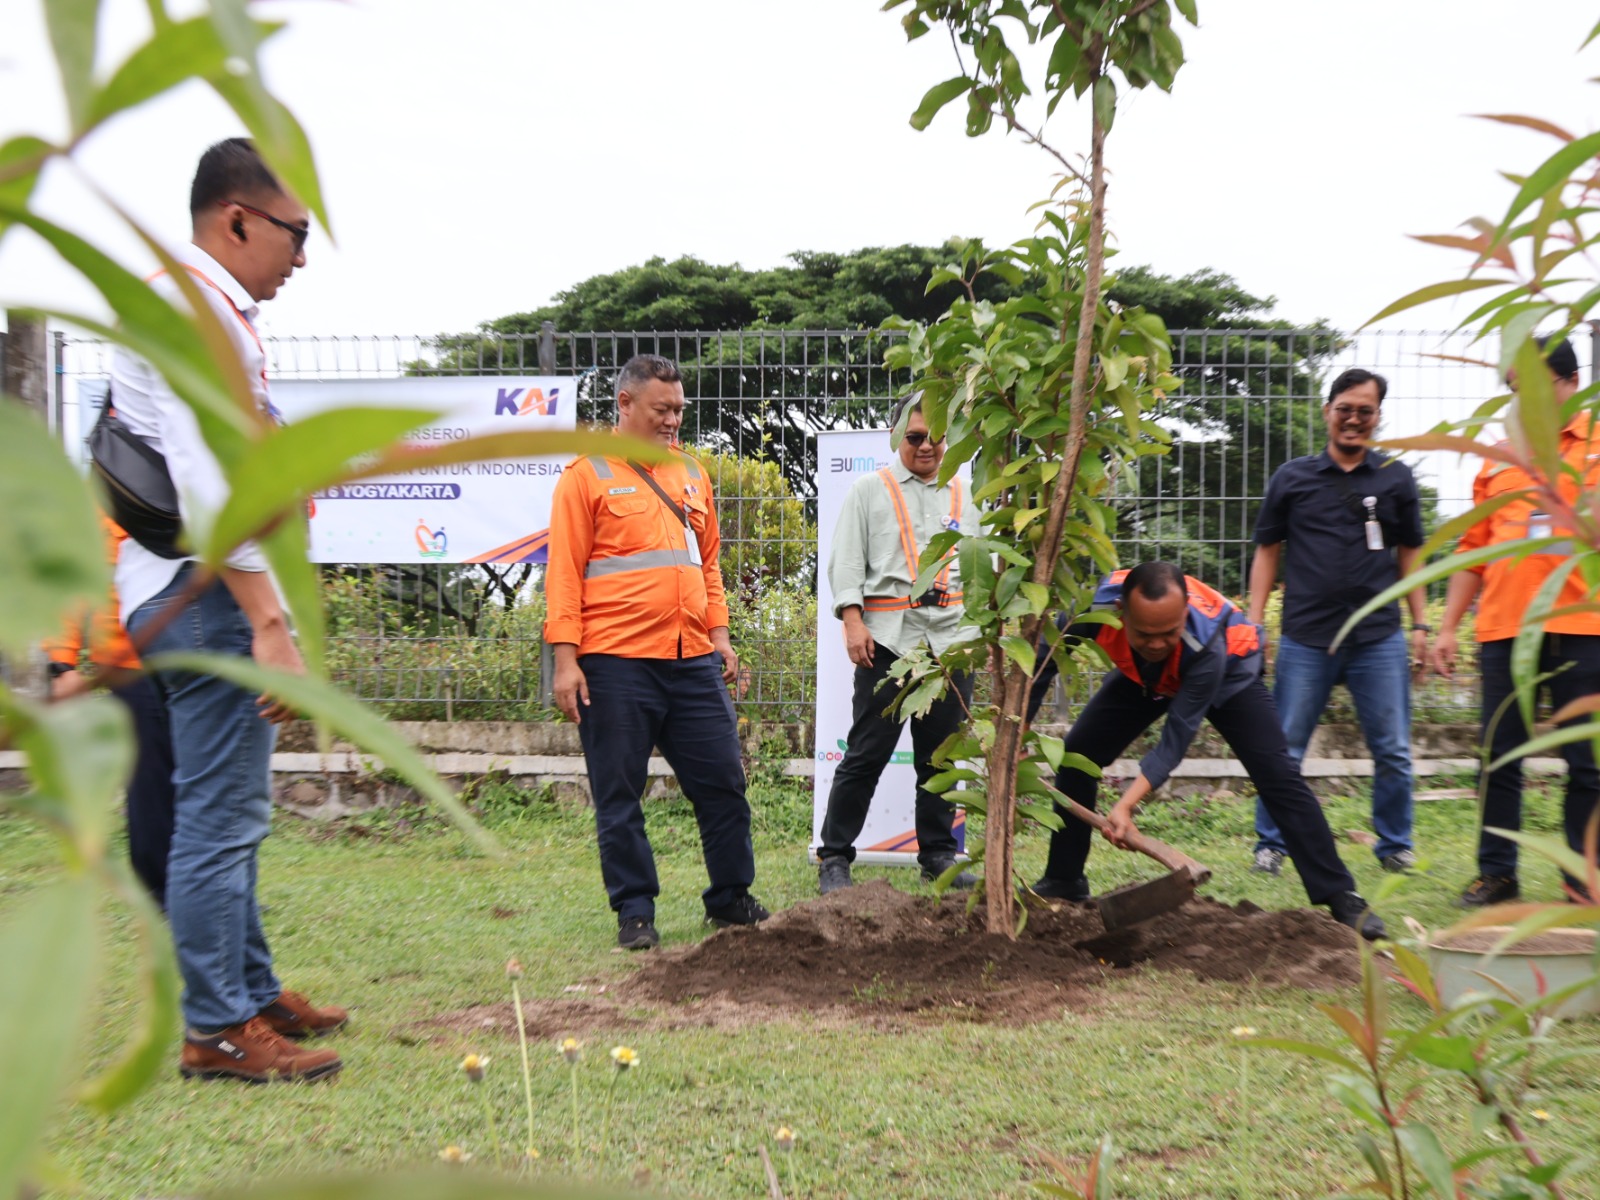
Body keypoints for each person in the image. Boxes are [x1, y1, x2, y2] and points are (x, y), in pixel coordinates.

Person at [115, 139, 346, 1084]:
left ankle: (248, 994)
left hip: (188, 595)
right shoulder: (195, 313)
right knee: (217, 817)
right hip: (205, 599)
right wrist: (271, 620)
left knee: (230, 810)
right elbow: (214, 486)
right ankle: (215, 1030)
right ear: (236, 219)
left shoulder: (203, 308)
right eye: (296, 234)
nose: (301, 257)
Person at [1029, 562, 1387, 940]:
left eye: (1168, 632)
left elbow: (1176, 737)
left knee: (1278, 776)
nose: (1155, 643)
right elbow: (1042, 657)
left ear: (1184, 614)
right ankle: (1064, 879)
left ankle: (1341, 895)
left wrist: (1126, 805)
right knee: (1076, 756)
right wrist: (1018, 727)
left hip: (1230, 674)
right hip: (1146, 678)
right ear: (1121, 612)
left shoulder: (1206, 644)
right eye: (1144, 633)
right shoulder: (1091, 609)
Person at [545, 353, 769, 950]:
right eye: (661, 409)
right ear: (624, 404)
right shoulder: (585, 476)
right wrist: (566, 661)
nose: (673, 421)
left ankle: (730, 898)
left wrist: (720, 637)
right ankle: (635, 913)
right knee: (620, 793)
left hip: (692, 656)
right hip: (614, 662)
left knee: (723, 782)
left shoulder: (692, 475)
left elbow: (708, 565)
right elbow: (564, 575)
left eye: (679, 410)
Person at [1432, 336, 1600, 907]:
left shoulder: (1598, 446)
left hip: (1584, 627)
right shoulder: (1499, 458)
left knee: (1590, 761)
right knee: (1499, 756)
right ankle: (1497, 875)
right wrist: (1449, 625)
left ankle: (1583, 876)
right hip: (1505, 630)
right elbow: (1474, 551)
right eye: (1512, 392)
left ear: (1569, 383)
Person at [1247, 368, 1427, 877]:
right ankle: (1271, 843)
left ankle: (1395, 845)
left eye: (1365, 412)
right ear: (1327, 411)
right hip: (1308, 637)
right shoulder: (1292, 478)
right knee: (1284, 748)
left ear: (1377, 417)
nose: (1354, 420)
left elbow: (1410, 552)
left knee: (1392, 749)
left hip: (1378, 639)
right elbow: (1267, 550)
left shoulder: (1395, 476)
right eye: (1345, 409)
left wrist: (1420, 624)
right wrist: (1254, 623)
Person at [815, 393, 979, 893]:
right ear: (894, 437)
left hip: (951, 646)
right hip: (888, 645)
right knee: (866, 752)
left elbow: (979, 566)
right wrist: (852, 622)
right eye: (914, 437)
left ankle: (938, 855)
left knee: (942, 757)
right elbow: (845, 563)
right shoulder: (870, 489)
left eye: (936, 436)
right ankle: (835, 858)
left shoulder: (963, 492)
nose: (926, 446)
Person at [43, 516, 175, 908]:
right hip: (128, 667)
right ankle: (158, 890)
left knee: (207, 782)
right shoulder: (105, 505)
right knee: (150, 783)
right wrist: (61, 664)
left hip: (196, 659)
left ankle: (215, 889)